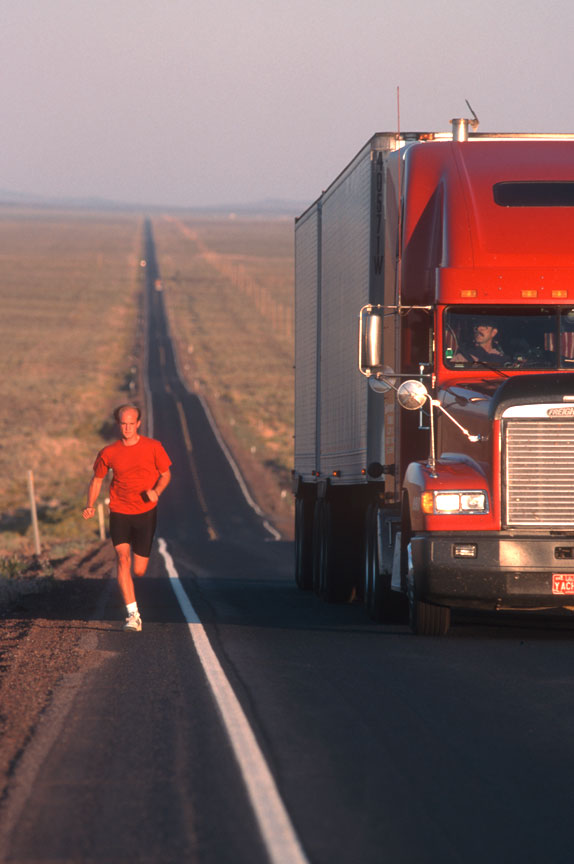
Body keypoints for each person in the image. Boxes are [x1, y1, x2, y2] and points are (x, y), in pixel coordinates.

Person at [83, 404, 172, 632]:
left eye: (131, 423)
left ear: (138, 424)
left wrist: (156, 492)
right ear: (118, 424)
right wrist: (90, 505)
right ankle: (133, 615)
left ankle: (134, 598)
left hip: (145, 512)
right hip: (120, 511)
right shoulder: (108, 452)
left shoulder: (153, 447)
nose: (127, 428)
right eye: (123, 423)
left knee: (140, 570)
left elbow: (165, 474)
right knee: (123, 559)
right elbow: (97, 480)